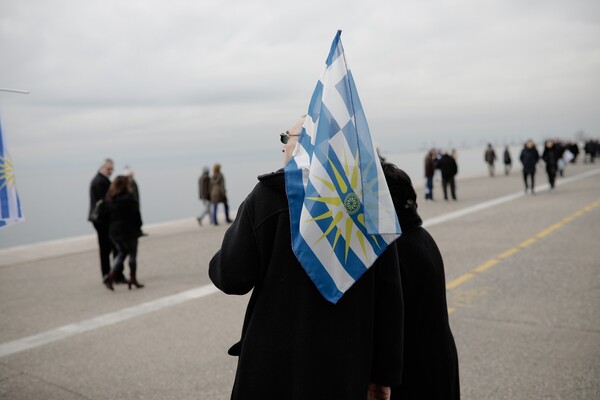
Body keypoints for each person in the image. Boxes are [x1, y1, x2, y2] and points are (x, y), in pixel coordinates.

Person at [208, 118, 404, 400]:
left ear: (304, 143)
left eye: (287, 137)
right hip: (345, 367)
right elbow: (389, 296)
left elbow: (230, 276)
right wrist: (385, 374)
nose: (283, 147)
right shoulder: (370, 203)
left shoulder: (268, 197)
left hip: (272, 369)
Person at [382, 162, 460, 400]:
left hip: (414, 370)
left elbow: (387, 322)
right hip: (440, 356)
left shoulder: (394, 250)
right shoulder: (422, 236)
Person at [103, 176, 144, 291]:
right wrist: (139, 226)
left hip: (114, 231)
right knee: (132, 254)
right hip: (129, 230)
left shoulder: (110, 198)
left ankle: (110, 276)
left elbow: (106, 215)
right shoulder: (129, 199)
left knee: (121, 253)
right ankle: (133, 278)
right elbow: (136, 215)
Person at [88, 158, 125, 284]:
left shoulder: (100, 180)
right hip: (103, 221)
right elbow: (106, 202)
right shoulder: (100, 182)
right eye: (109, 169)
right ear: (102, 168)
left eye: (112, 169)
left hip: (100, 220)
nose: (111, 171)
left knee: (109, 248)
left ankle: (111, 274)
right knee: (110, 248)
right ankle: (111, 275)